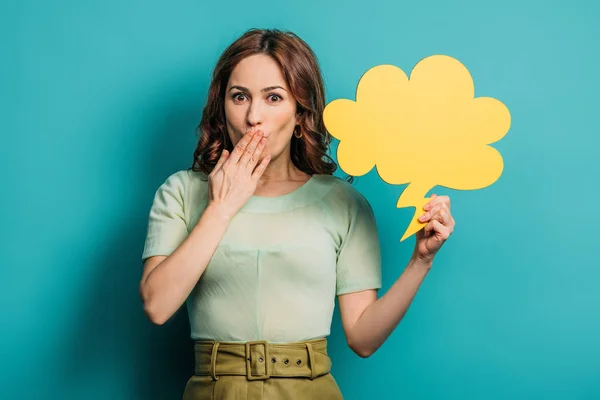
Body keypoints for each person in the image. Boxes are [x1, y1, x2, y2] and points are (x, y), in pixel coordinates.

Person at [139, 28, 455, 400]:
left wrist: (421, 260)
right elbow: (157, 306)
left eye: (274, 97)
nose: (253, 116)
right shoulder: (181, 191)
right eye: (239, 97)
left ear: (300, 112)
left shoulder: (343, 203)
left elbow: (363, 338)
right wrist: (222, 207)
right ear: (222, 109)